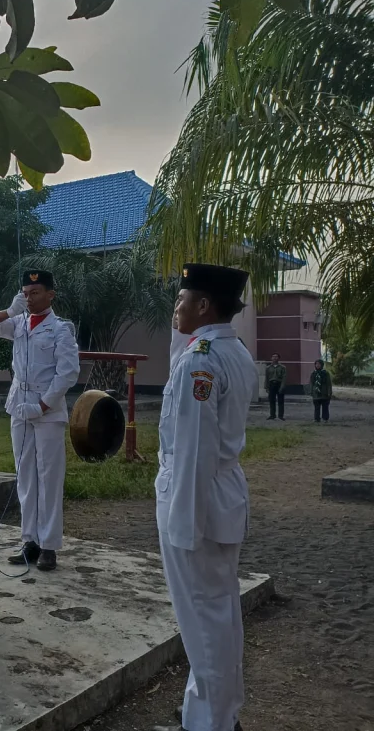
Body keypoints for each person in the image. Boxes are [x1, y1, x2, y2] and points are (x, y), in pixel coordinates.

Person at [154, 263, 254, 731]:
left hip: (197, 504)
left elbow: (194, 450)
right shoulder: (232, 351)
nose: (176, 308)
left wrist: (184, 527)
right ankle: (210, 715)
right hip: (222, 498)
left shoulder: (201, 361)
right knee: (218, 615)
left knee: (204, 624)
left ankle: (214, 724)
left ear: (203, 306)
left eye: (181, 300)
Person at [0, 270, 80, 571]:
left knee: (49, 477)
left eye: (35, 292)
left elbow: (68, 372)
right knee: (25, 475)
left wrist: (44, 405)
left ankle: (49, 545)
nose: (29, 298)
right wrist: (10, 310)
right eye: (25, 292)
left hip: (47, 408)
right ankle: (29, 540)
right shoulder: (18, 322)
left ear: (50, 295)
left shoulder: (61, 329)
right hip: (19, 405)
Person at [264, 353, 287, 420]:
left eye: (276, 357)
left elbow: (284, 377)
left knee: (280, 401)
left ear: (278, 358)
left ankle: (281, 416)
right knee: (272, 401)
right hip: (271, 384)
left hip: (279, 384)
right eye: (273, 357)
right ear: (271, 358)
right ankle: (272, 415)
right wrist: (266, 387)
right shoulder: (268, 368)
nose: (274, 358)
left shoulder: (282, 367)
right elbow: (267, 378)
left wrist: (282, 387)